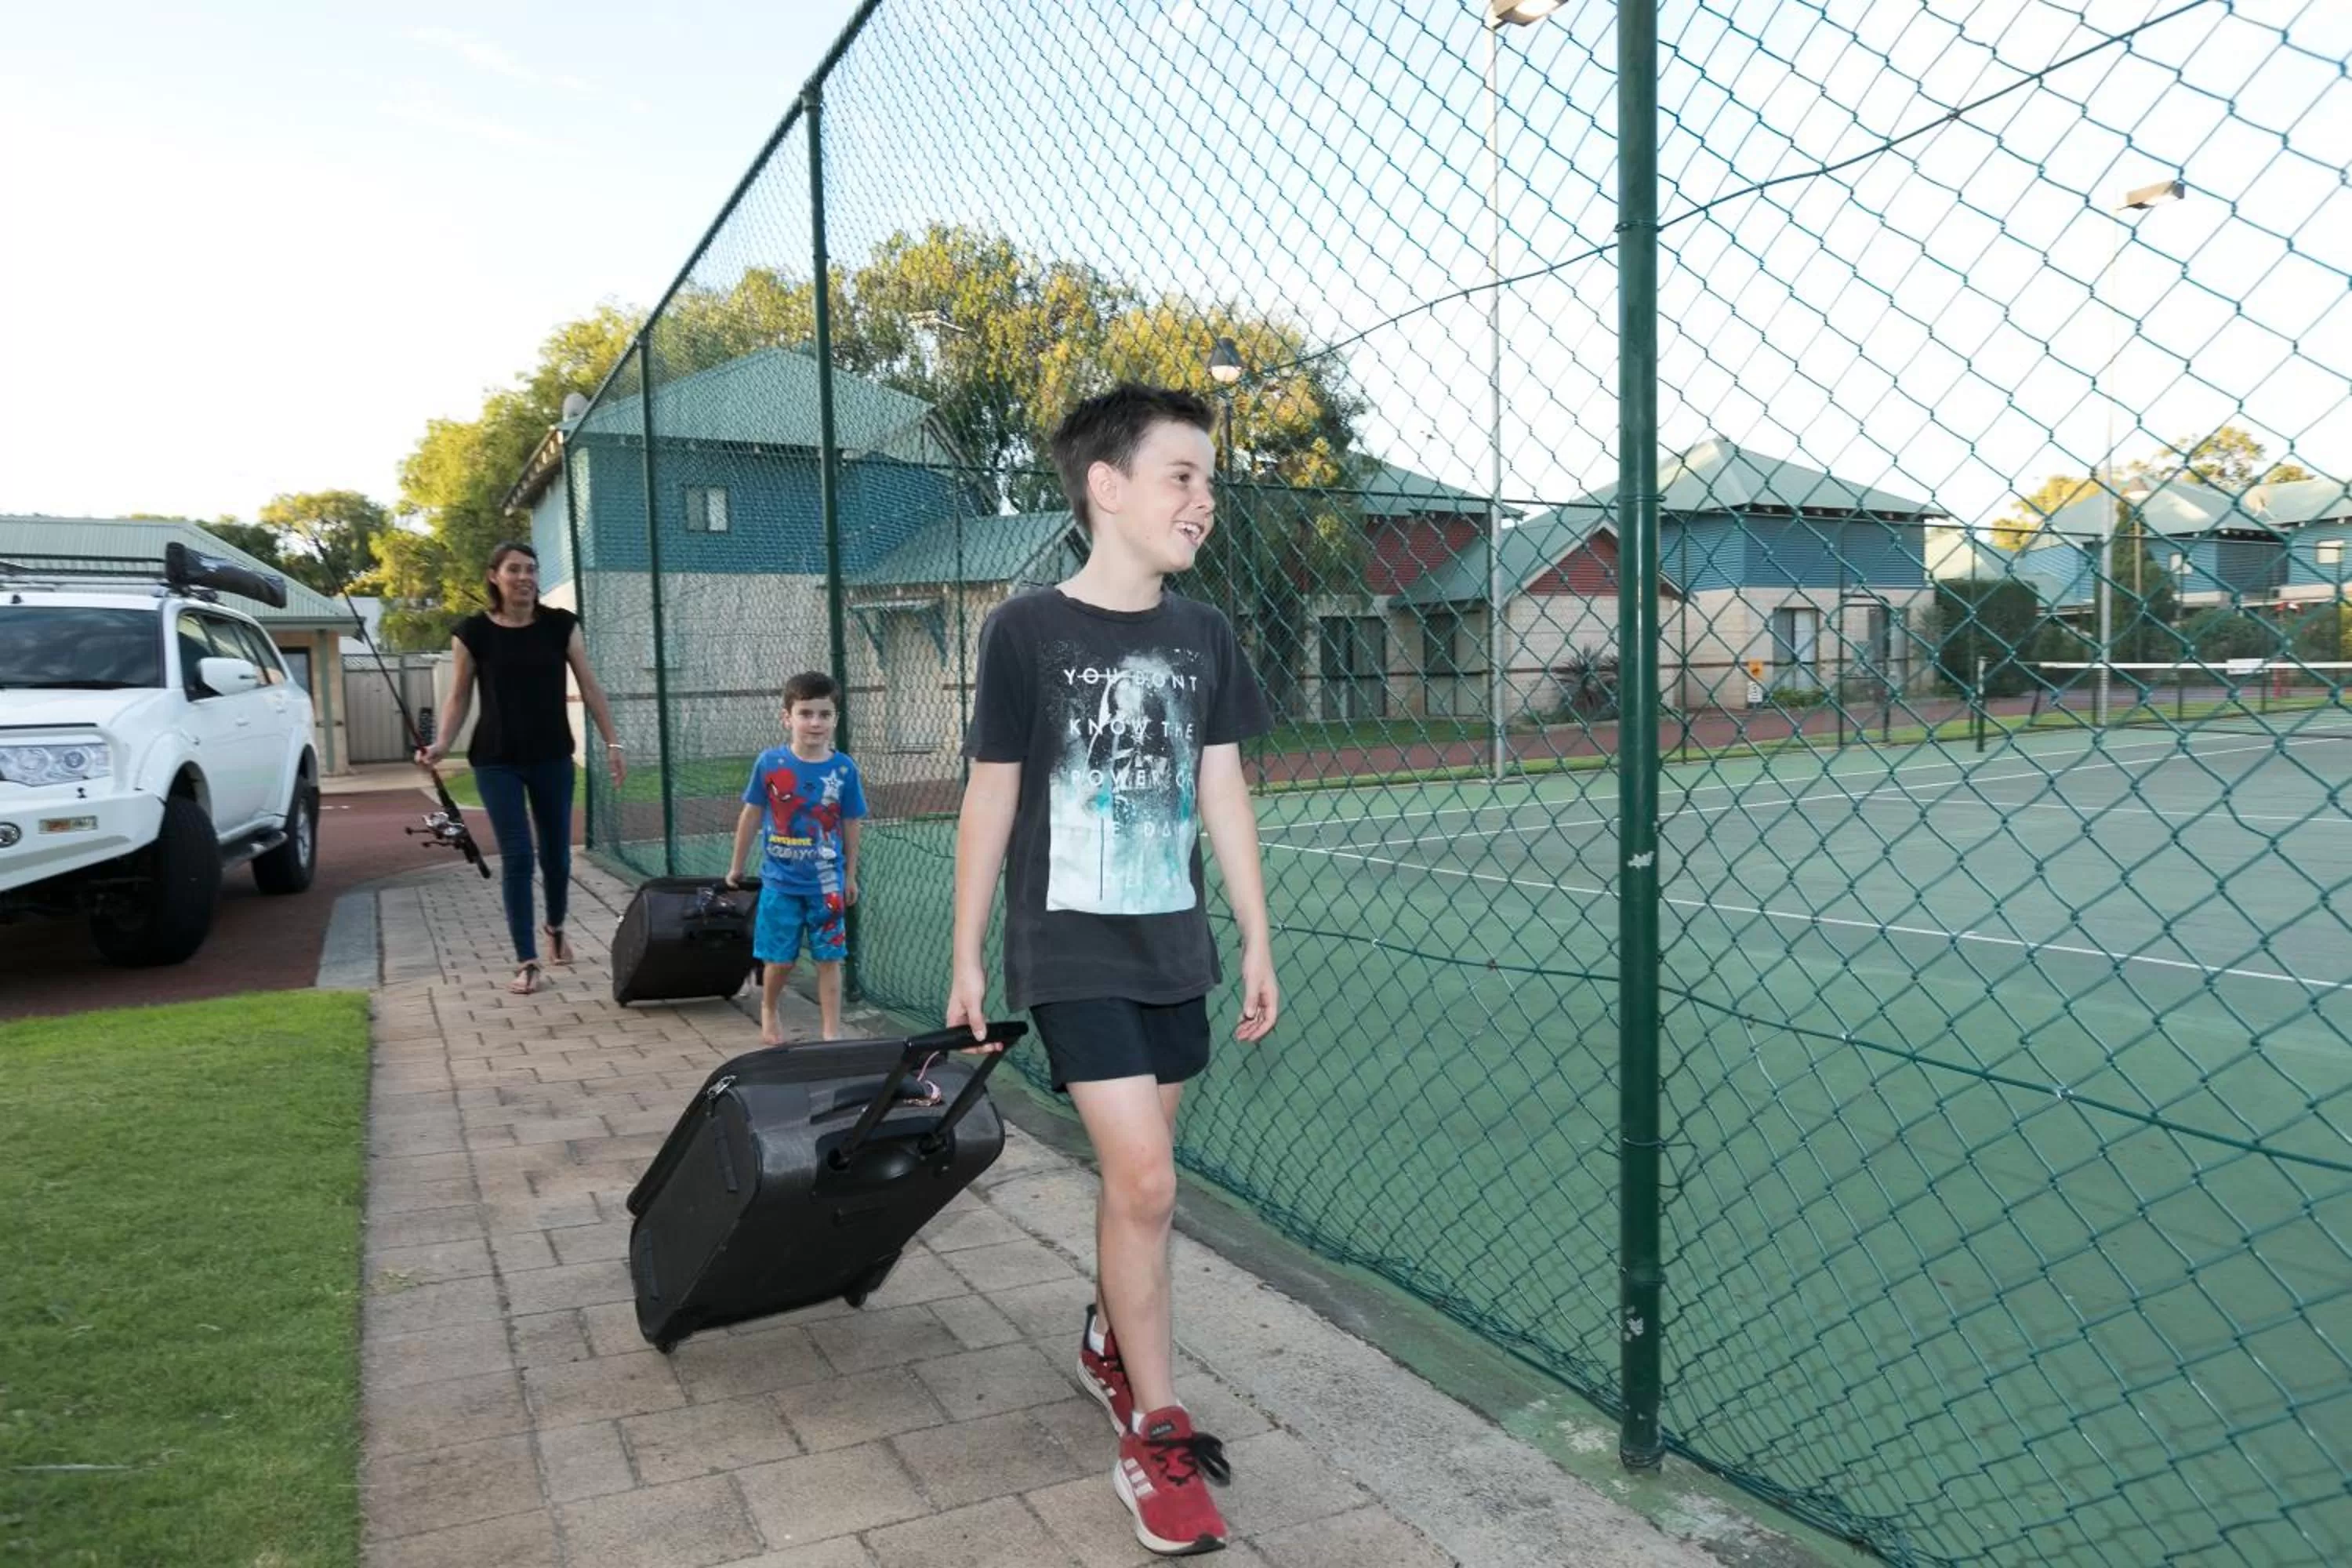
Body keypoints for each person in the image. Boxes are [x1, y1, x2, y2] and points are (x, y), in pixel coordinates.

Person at [946, 383, 1279, 1557]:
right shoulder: (1026, 633)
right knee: (1143, 1184)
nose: (1205, 497)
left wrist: (1254, 933)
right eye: (1182, 475)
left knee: (1147, 1182)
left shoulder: (1205, 638)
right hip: (1069, 951)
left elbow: (1221, 786)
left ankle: (1108, 1337)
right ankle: (1157, 1432)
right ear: (1109, 487)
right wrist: (967, 952)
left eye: (1209, 480)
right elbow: (991, 792)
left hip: (1170, 949)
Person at [419, 541, 624, 996]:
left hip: (552, 755)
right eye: (514, 569)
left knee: (555, 855)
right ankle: (527, 960)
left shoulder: (561, 627)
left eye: (531, 569)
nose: (525, 577)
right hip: (495, 759)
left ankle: (554, 926)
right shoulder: (472, 633)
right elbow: (459, 696)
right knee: (518, 855)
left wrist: (612, 742)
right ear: (494, 576)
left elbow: (590, 686)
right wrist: (441, 744)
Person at [726, 670, 866, 1044]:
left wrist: (849, 875)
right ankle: (770, 1011)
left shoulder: (844, 769)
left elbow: (851, 823)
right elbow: (752, 814)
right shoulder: (770, 764)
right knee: (780, 960)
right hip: (780, 884)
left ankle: (831, 1033)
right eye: (806, 713)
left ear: (835, 718)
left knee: (829, 959)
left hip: (827, 885)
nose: (815, 722)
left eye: (824, 714)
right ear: (787, 717)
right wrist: (737, 865)